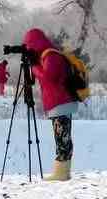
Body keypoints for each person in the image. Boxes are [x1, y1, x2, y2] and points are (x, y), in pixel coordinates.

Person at [23, 28, 78, 182]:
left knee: (62, 138)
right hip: (58, 102)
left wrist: (34, 67)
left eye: (29, 45)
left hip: (60, 102)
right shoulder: (46, 56)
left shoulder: (51, 56)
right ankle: (62, 172)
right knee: (61, 137)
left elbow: (49, 78)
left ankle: (61, 173)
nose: (28, 49)